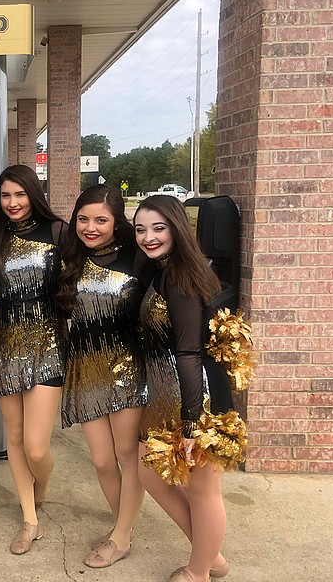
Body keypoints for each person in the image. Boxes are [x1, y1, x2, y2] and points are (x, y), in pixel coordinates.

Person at [133, 195, 236, 582]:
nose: (148, 237)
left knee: (203, 490)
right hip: (164, 391)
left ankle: (199, 572)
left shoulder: (179, 278)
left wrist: (193, 424)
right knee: (149, 474)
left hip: (195, 396)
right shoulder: (164, 269)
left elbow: (190, 352)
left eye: (158, 228)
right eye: (141, 229)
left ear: (177, 227)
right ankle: (212, 557)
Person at [56, 185, 151, 568]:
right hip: (84, 368)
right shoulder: (70, 257)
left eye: (101, 220)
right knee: (101, 459)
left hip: (125, 367)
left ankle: (122, 536)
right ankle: (121, 523)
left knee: (128, 456)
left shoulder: (138, 258)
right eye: (83, 219)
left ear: (116, 222)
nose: (90, 227)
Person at [0, 164, 67, 555]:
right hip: (3, 342)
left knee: (36, 446)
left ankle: (43, 485)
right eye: (5, 195)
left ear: (34, 193)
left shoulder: (58, 232)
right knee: (14, 437)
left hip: (47, 343)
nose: (13, 203)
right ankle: (30, 519)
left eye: (20, 194)